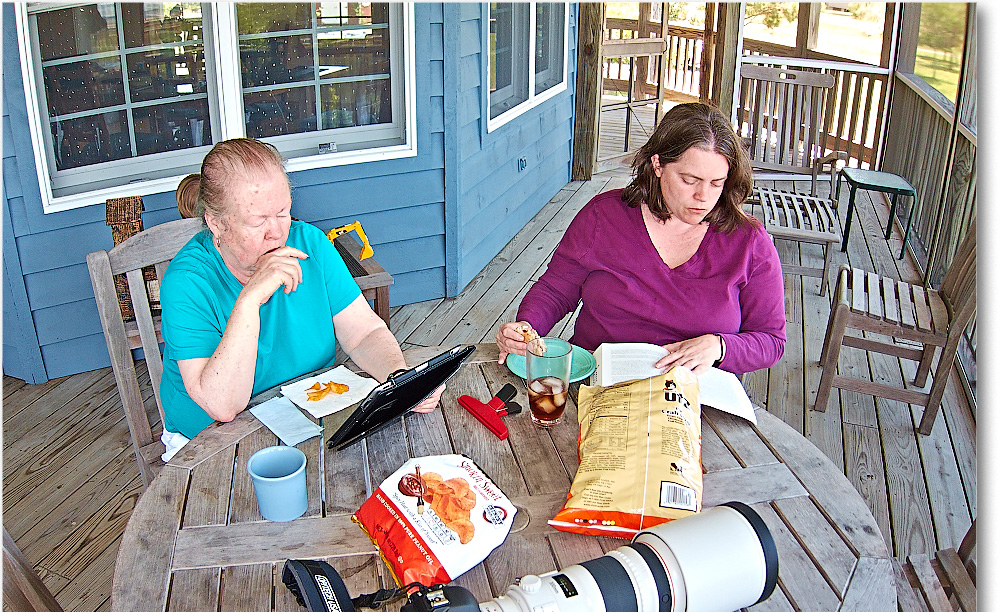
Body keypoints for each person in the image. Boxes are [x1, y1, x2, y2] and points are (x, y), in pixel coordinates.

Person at [159, 138, 442, 459]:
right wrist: (249, 301)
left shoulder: (310, 244)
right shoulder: (188, 281)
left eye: (282, 213)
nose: (276, 232)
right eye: (257, 221)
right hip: (210, 441)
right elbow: (222, 406)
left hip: (309, 411)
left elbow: (364, 332)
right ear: (216, 222)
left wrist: (398, 378)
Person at [496, 102, 786, 376]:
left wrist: (720, 346)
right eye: (689, 180)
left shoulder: (749, 242)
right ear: (658, 165)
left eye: (716, 183)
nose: (704, 197)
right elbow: (556, 290)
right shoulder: (604, 216)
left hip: (693, 394)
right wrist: (526, 327)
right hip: (598, 380)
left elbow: (771, 340)